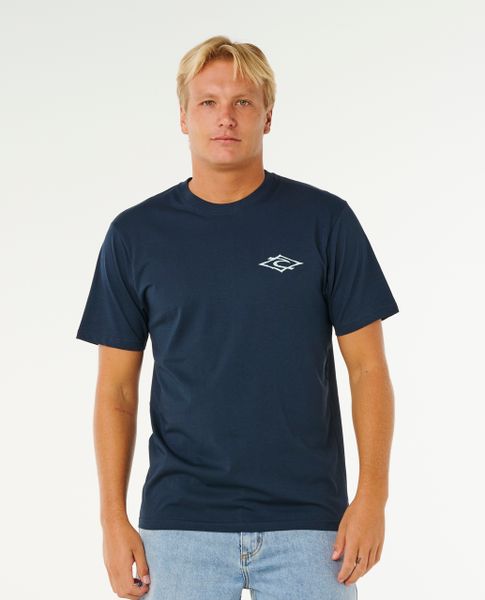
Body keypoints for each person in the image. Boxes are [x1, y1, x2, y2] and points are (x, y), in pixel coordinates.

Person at [76, 35, 399, 600]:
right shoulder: (135, 235)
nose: (225, 117)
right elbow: (116, 392)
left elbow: (368, 369)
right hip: (179, 527)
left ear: (268, 116)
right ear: (183, 117)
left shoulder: (325, 221)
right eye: (208, 102)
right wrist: (112, 519)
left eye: (243, 102)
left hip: (310, 526)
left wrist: (373, 497)